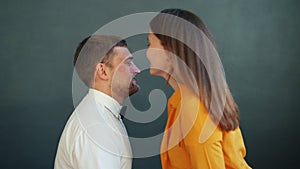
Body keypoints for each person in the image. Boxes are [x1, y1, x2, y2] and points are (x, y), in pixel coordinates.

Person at [146, 9, 252, 169]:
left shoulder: (193, 108)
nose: (146, 53)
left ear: (169, 51)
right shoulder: (186, 101)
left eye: (149, 44)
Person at [54, 35, 140, 169]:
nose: (137, 70)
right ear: (103, 71)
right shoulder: (96, 128)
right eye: (128, 63)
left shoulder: (99, 117)